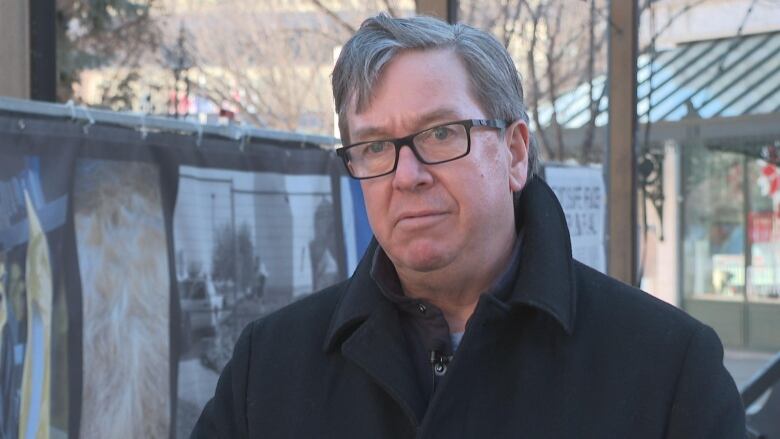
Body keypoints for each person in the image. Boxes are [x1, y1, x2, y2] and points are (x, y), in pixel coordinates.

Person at [192, 14, 745, 438]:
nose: (406, 175)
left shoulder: (666, 365)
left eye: (440, 134)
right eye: (375, 145)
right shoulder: (267, 367)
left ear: (515, 152)